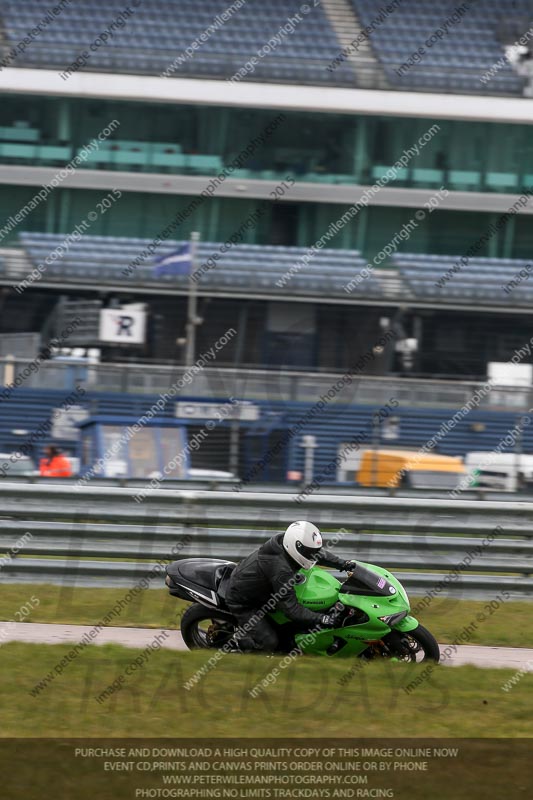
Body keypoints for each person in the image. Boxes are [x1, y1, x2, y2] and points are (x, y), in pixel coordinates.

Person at [225, 521, 356, 653]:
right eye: (309, 552)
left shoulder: (288, 543)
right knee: (269, 642)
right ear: (296, 546)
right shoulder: (281, 570)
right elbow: (292, 610)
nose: (313, 555)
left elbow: (317, 554)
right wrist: (322, 619)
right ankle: (238, 645)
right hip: (243, 601)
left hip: (261, 588)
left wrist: (343, 564)